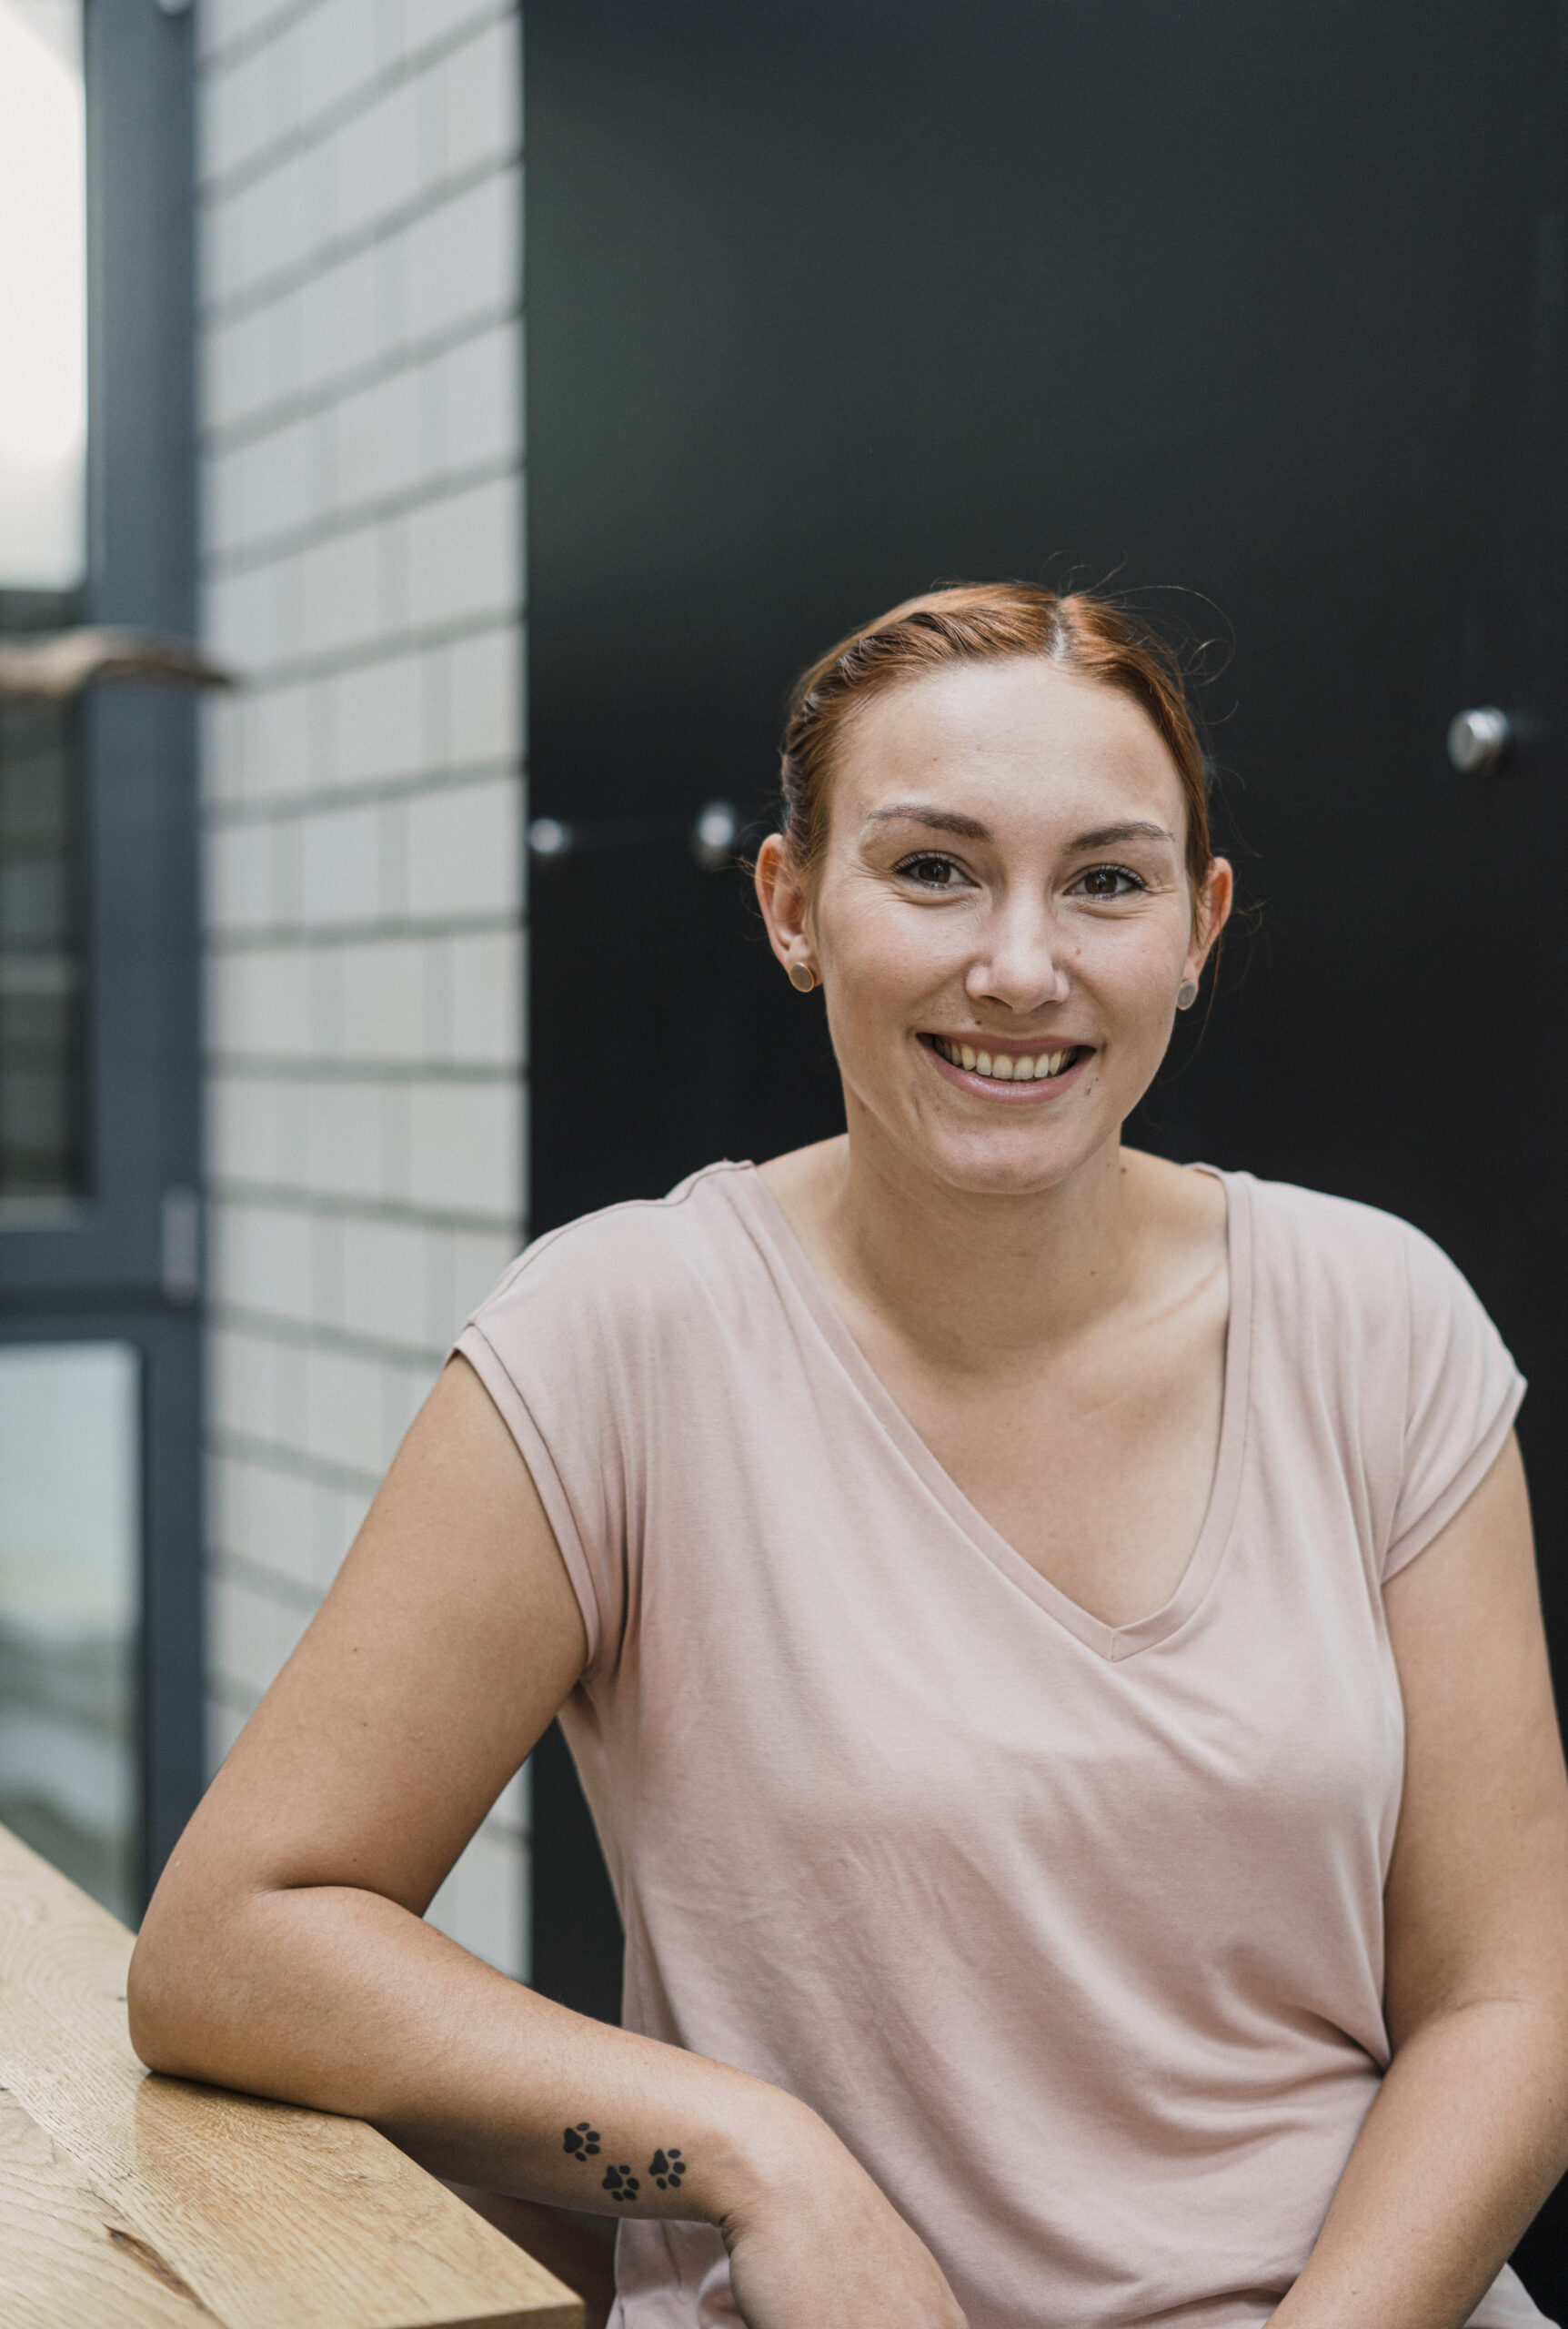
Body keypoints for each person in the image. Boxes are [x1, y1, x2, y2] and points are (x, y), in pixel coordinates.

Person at [129, 583, 1568, 2329]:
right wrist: (752, 2153)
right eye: (935, 869)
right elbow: (234, 1939)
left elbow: (1510, 2000)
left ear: (1197, 930)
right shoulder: (624, 1333)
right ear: (794, 905)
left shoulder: (1379, 1322)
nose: (1021, 966)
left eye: (1105, 882)